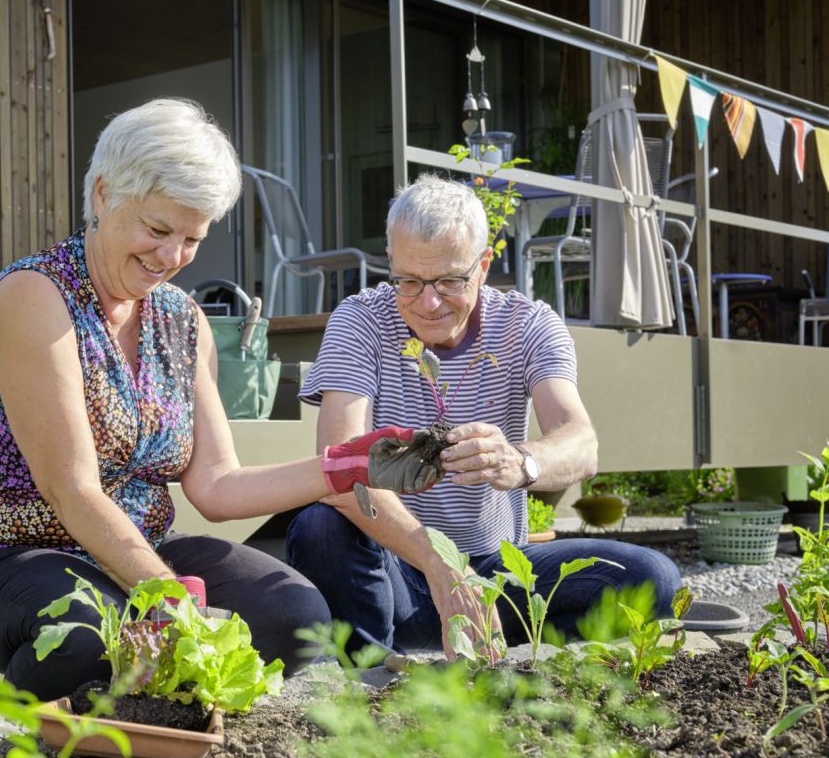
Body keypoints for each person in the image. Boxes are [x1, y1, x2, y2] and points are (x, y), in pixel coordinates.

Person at [0, 98, 440, 700]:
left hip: (133, 553)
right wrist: (169, 596)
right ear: (102, 195)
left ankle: (149, 712)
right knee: (89, 639)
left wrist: (351, 465)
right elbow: (73, 490)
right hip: (11, 555)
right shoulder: (35, 298)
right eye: (157, 230)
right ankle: (2, 733)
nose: (171, 259)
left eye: (192, 238)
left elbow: (218, 485)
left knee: (299, 618)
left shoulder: (182, 320)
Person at [285, 173, 680, 660]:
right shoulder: (359, 320)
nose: (428, 303)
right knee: (320, 528)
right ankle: (375, 678)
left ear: (484, 265)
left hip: (498, 571)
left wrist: (521, 462)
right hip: (401, 570)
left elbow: (581, 443)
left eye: (450, 281)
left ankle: (496, 643)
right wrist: (441, 566)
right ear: (391, 263)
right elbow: (338, 470)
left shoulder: (527, 324)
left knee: (653, 580)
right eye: (408, 281)